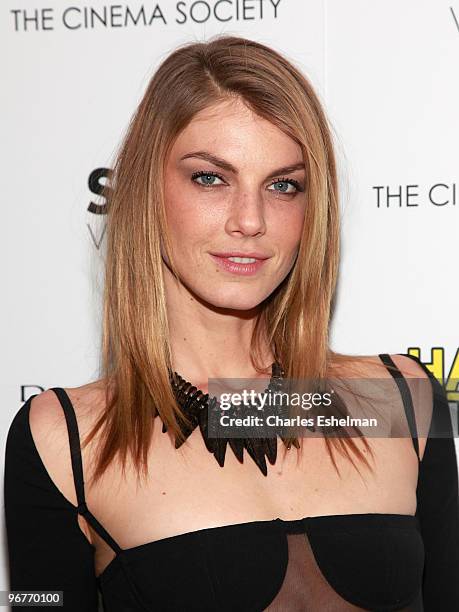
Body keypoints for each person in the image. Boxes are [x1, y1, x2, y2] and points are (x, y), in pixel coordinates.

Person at [4, 34, 459, 612]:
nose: (250, 220)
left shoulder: (401, 398)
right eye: (210, 178)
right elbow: (34, 601)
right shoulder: (63, 438)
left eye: (282, 185)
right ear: (146, 189)